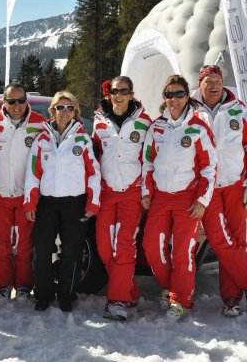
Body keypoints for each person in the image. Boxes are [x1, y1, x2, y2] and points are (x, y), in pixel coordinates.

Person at [192, 65, 247, 316]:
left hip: (236, 185)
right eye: (207, 81)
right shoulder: (190, 110)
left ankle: (231, 298)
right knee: (219, 240)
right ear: (199, 84)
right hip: (207, 188)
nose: (213, 84)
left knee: (235, 241)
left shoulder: (238, 109)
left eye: (217, 80)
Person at [141, 74, 217, 322]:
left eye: (179, 94)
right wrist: (146, 192)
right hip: (161, 198)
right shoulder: (157, 127)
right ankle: (170, 286)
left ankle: (180, 299)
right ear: (165, 98)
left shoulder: (198, 128)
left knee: (182, 252)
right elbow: (147, 163)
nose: (174, 99)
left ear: (187, 97)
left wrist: (202, 200)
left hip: (187, 198)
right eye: (169, 95)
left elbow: (209, 168)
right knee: (151, 247)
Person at [24, 91, 101, 312]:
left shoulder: (83, 139)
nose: (64, 112)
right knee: (42, 250)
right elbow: (33, 173)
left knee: (71, 252)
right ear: (53, 111)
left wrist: (93, 204)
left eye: (70, 108)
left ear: (76, 112)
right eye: (60, 107)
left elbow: (94, 174)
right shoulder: (42, 139)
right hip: (47, 203)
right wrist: (30, 203)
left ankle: (67, 295)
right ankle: (43, 294)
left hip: (74, 203)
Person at [92, 76, 151, 321]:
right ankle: (130, 291)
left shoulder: (145, 122)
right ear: (109, 94)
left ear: (131, 93)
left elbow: (150, 160)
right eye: (115, 91)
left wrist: (146, 191)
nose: (119, 95)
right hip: (106, 192)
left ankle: (117, 300)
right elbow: (94, 155)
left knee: (125, 245)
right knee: (105, 247)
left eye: (124, 91)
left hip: (131, 192)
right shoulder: (99, 121)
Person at [0, 83, 46, 303]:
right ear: (4, 102)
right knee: (1, 243)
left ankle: (24, 285)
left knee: (25, 244)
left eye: (21, 100)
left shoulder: (39, 123)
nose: (16, 106)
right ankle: (2, 286)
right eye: (11, 101)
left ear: (26, 100)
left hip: (26, 195)